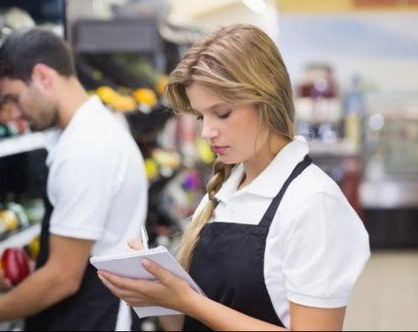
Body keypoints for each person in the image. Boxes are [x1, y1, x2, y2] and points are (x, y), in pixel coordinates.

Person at [98, 24, 370, 331]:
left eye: (222, 113)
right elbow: (187, 325)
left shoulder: (312, 202)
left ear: (266, 101)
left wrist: (189, 301)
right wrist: (152, 291)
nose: (206, 132)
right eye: (201, 116)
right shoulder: (222, 191)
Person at [0, 29, 148, 331]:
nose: (15, 113)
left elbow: (62, 278)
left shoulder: (86, 148)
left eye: (15, 98)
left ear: (43, 77)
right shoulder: (95, 129)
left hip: (90, 319)